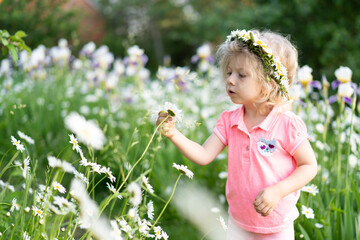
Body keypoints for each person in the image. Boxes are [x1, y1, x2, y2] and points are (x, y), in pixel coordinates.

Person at [156, 29, 317, 240]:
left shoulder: (287, 124)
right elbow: (204, 155)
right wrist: (173, 134)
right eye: (229, 72)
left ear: (269, 83)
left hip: (276, 227)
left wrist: (278, 191)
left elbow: (309, 166)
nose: (230, 80)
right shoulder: (229, 120)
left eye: (241, 75)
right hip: (238, 224)